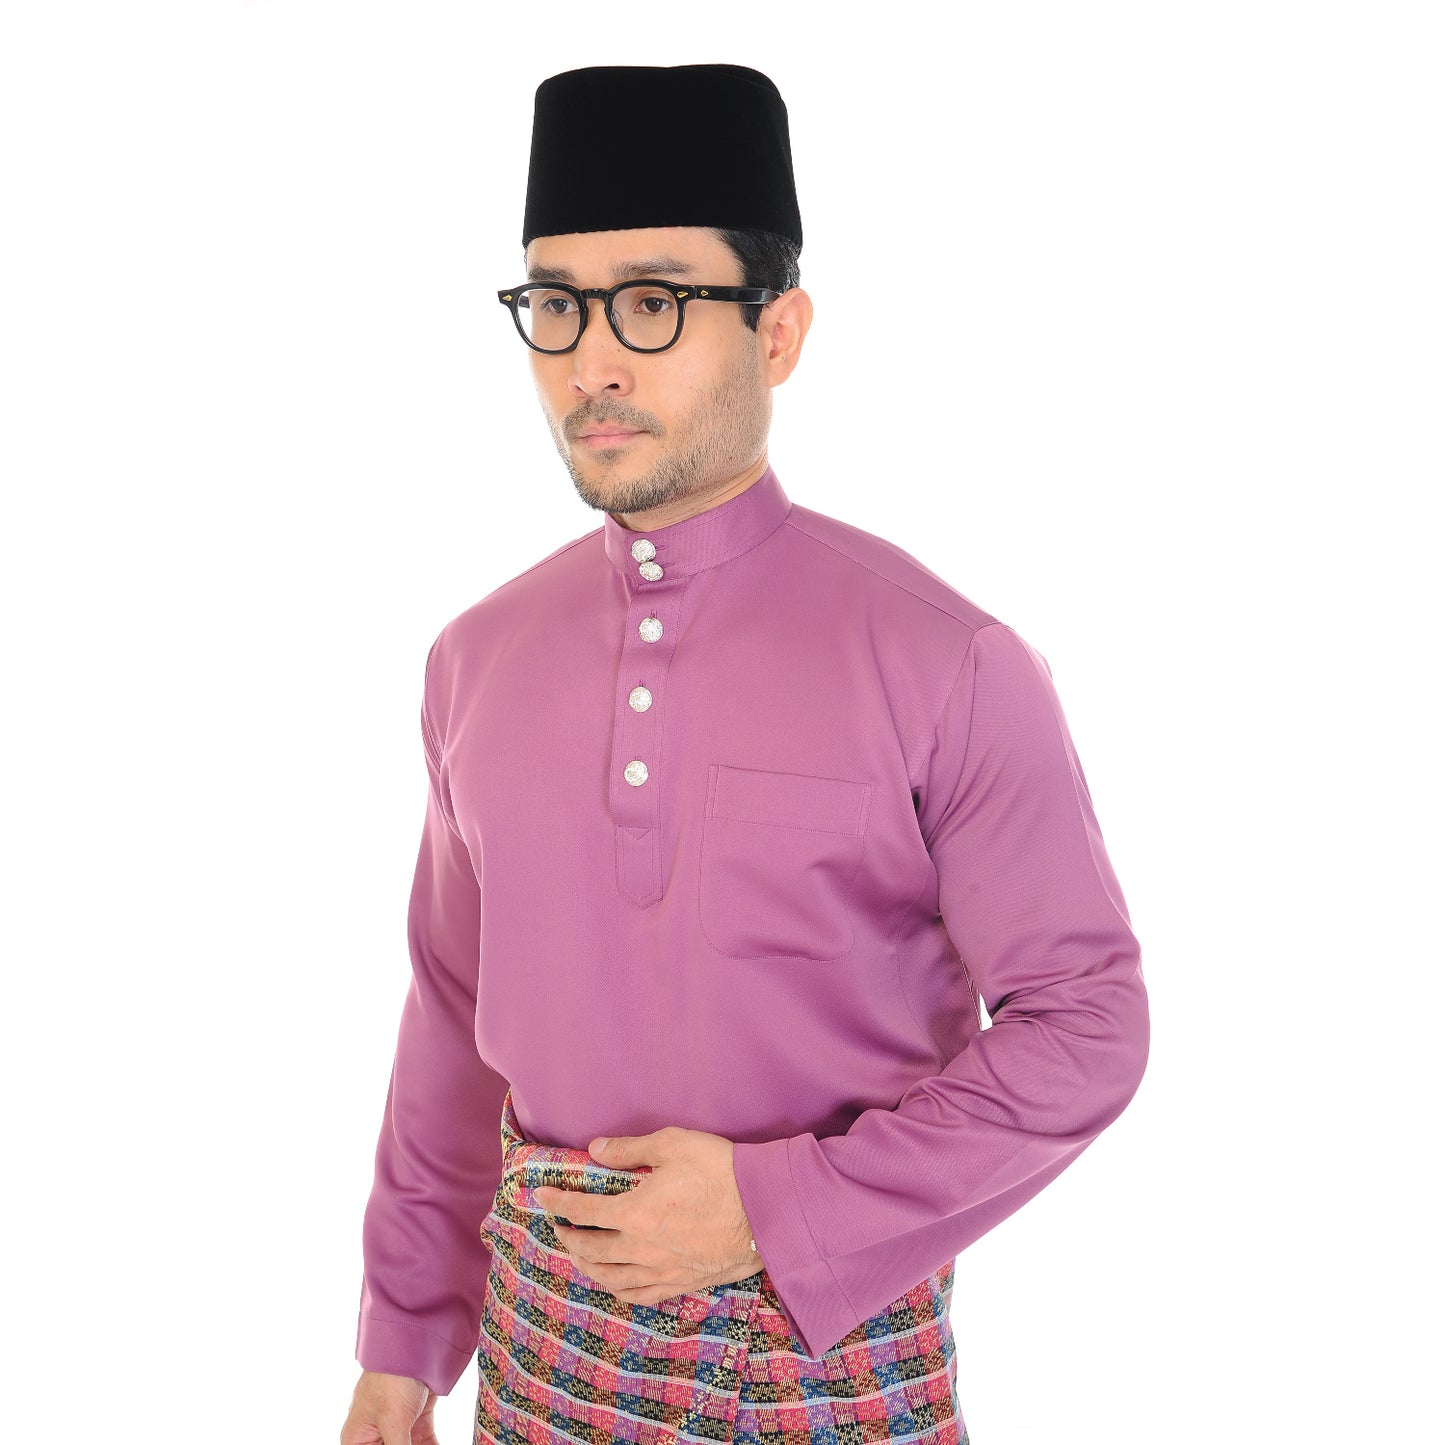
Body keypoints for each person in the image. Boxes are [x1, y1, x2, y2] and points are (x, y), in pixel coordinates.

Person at [341, 63, 1150, 1445]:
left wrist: (781, 1209)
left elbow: (1088, 1024)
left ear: (779, 332)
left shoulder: (946, 659)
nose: (592, 360)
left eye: (654, 301)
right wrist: (402, 1346)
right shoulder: (474, 657)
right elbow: (449, 1018)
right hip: (539, 1362)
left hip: (822, 1361)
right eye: (557, 304)